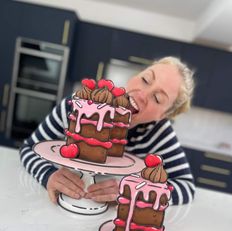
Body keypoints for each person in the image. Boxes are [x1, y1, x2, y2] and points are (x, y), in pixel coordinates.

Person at [19, 56, 195, 205]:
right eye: (146, 80)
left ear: (162, 116)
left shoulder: (158, 133)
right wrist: (47, 175)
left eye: (157, 98)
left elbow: (185, 186)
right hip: (61, 203)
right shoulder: (77, 107)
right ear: (134, 76)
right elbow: (29, 149)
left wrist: (131, 192)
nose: (142, 94)